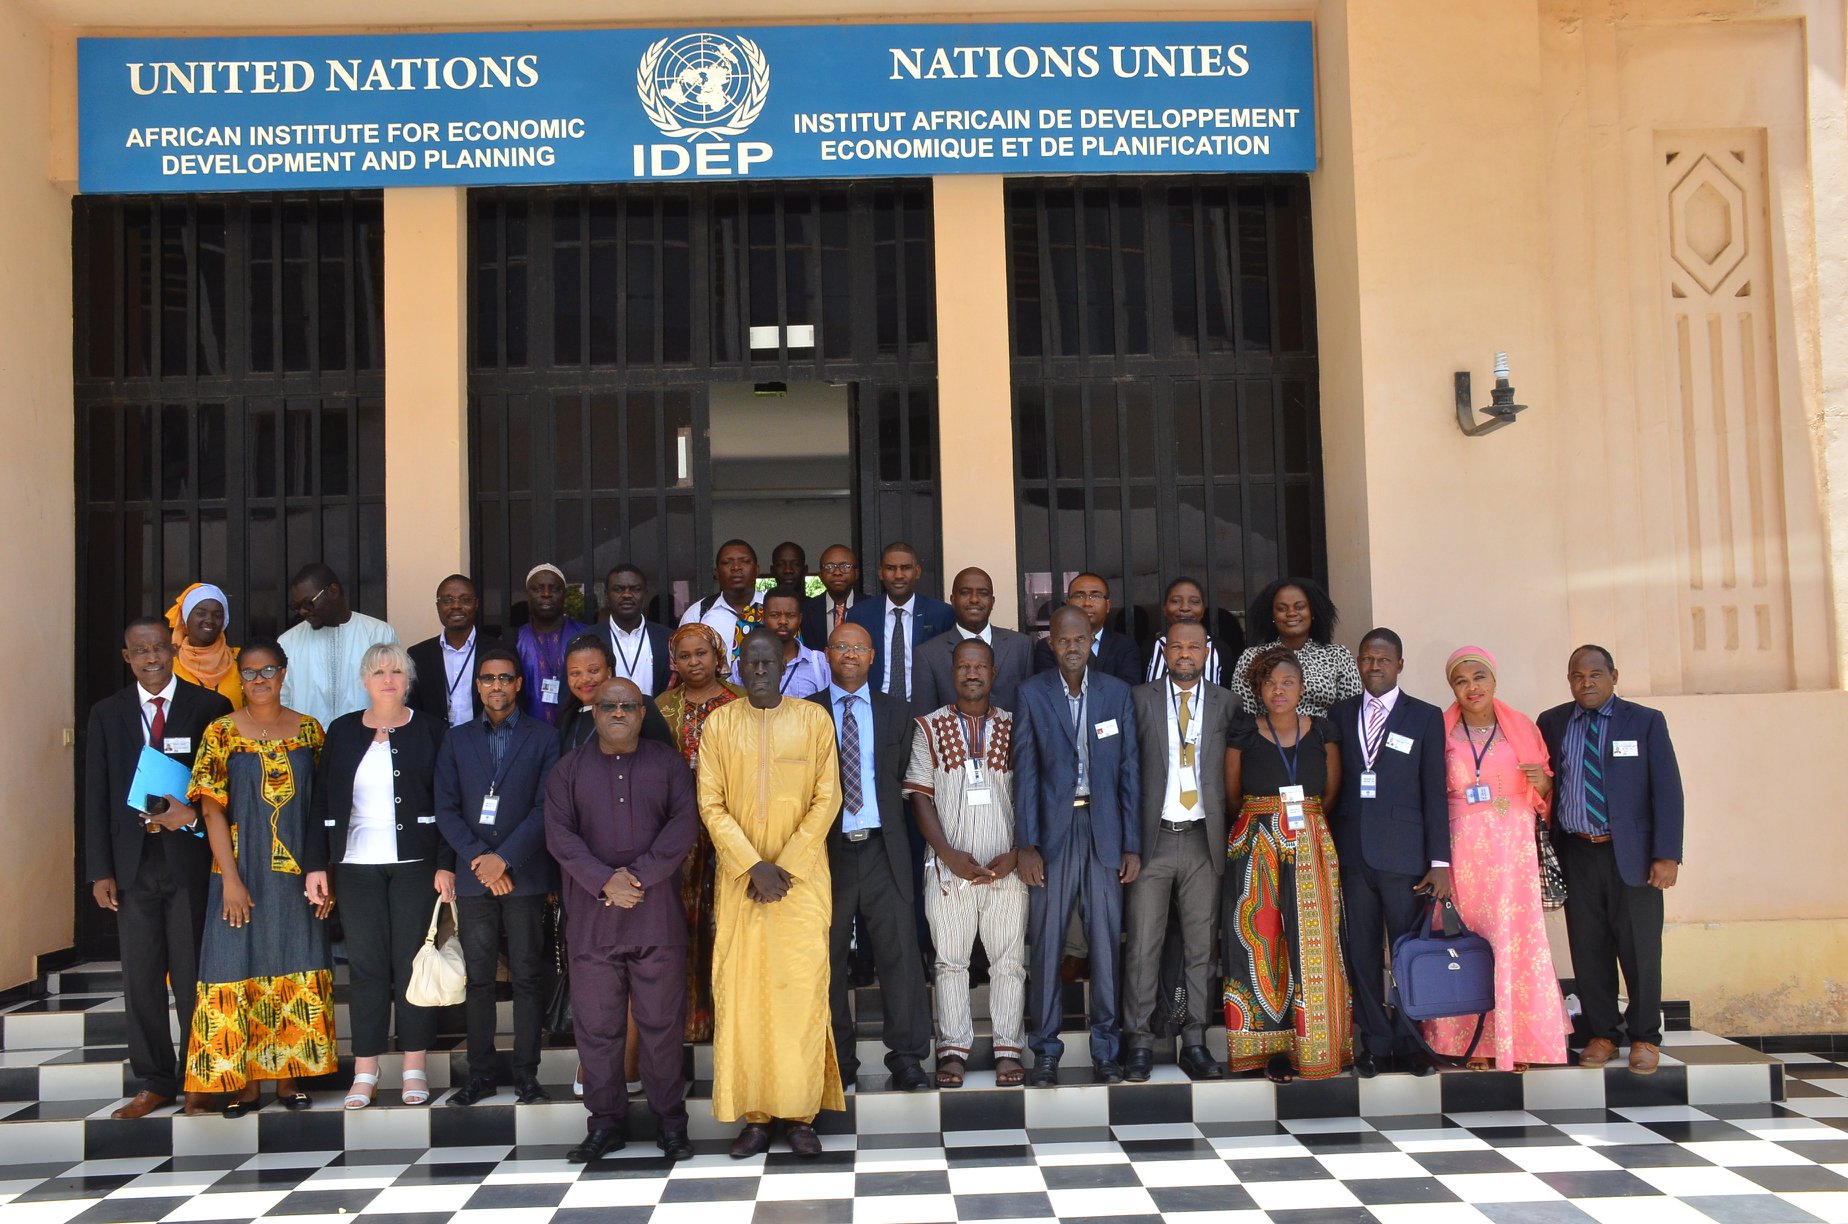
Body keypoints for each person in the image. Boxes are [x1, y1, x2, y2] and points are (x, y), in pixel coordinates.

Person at [695, 631, 845, 1158]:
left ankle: (800, 1114)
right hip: (741, 885)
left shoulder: (813, 719)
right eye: (750, 662)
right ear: (737, 666)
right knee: (744, 995)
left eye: (768, 661)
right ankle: (756, 1117)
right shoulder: (720, 724)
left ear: (783, 664)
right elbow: (710, 804)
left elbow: (829, 798)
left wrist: (783, 866)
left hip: (800, 885)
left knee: (799, 994)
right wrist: (753, 866)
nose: (759, 670)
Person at [176, 639, 336, 1116]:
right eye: (249, 672)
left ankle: (290, 1079)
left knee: (295, 956)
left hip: (297, 875)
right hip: (239, 871)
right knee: (234, 963)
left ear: (284, 674)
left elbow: (322, 809)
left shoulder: (310, 730)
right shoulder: (221, 732)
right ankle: (243, 1082)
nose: (260, 679)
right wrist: (229, 879)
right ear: (239, 679)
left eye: (269, 670)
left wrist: (323, 871)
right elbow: (210, 809)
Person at [545, 678, 699, 1163]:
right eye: (608, 706)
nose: (618, 713)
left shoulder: (669, 765)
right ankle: (605, 1124)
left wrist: (637, 877)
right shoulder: (567, 771)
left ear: (641, 713)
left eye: (628, 706)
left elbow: (684, 825)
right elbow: (559, 837)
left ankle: (670, 1124)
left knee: (660, 1025)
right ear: (593, 713)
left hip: (658, 923)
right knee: (597, 1029)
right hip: (593, 925)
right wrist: (603, 880)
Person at [84, 617, 233, 1119]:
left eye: (159, 649)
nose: (151, 659)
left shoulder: (209, 707)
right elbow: (97, 795)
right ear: (127, 657)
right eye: (140, 651)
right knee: (142, 978)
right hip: (131, 867)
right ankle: (153, 1081)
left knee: (194, 973)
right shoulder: (106, 714)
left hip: (190, 860)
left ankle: (200, 1078)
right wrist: (99, 870)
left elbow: (223, 792)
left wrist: (192, 821)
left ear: (174, 651)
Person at [315, 642, 451, 1109]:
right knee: (368, 968)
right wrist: (319, 864)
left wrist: (445, 863)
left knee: (411, 964)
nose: (387, 679)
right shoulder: (341, 731)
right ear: (364, 680)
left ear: (408, 679)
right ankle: (366, 1069)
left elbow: (450, 802)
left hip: (416, 866)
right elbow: (321, 803)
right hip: (355, 866)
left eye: (396, 670)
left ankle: (415, 1066)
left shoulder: (432, 730)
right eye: (378, 671)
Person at [1538, 645, 1684, 1076]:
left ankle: (1644, 1036)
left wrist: (1667, 855)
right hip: (1577, 852)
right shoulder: (1554, 722)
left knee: (1640, 948)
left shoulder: (1644, 722)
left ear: (1614, 676)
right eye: (1577, 676)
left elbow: (1668, 791)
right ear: (1569, 680)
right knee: (1588, 946)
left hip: (1633, 855)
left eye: (1595, 674)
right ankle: (1602, 1032)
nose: (1587, 683)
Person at [1014, 605, 1140, 1086]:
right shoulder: (1031, 694)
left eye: (1080, 639)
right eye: (1062, 639)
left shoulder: (1116, 693)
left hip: (1104, 834)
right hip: (1052, 836)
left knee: (1106, 946)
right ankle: (1045, 1051)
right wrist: (1027, 844)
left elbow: (1129, 772)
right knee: (1046, 944)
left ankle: (1106, 1050)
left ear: (1092, 641)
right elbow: (1025, 774)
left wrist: (1130, 843)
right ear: (1051, 643)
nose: (1071, 646)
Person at [1426, 646, 1569, 1071]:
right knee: (1465, 940)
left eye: (1479, 677)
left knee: (1513, 941)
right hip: (1461, 850)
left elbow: (1545, 795)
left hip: (1513, 852)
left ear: (1494, 679)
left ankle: (1518, 1042)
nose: (1472, 688)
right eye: (1461, 681)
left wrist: (1544, 782)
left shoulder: (1522, 728)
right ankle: (1471, 1043)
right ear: (1452, 687)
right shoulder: (1440, 732)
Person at [435, 647, 563, 1106]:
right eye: (487, 678)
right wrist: (481, 861)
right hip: (474, 879)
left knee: (528, 975)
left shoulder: (544, 738)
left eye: (505, 678)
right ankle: (481, 1075)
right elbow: (445, 810)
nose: (496, 686)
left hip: (525, 875)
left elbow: (546, 808)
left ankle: (528, 1074)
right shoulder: (456, 739)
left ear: (519, 684)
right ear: (477, 684)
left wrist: (503, 860)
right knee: (479, 979)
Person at [809, 623, 932, 1092]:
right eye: (841, 646)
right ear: (827, 654)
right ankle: (837, 1062)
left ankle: (907, 1059)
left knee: (900, 954)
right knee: (828, 959)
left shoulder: (897, 712)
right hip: (828, 853)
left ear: (873, 655)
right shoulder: (807, 712)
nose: (850, 655)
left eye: (859, 648)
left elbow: (908, 781)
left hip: (884, 847)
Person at [904, 638, 1029, 1088]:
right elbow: (920, 798)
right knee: (950, 963)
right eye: (964, 666)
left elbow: (1030, 794)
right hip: (948, 870)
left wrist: (1016, 852)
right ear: (952, 672)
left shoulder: (1017, 726)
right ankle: (953, 1050)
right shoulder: (928, 727)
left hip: (1006, 868)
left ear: (993, 674)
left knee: (1009, 962)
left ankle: (1007, 1049)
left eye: (980, 666)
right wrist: (949, 855)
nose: (972, 673)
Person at [1222, 646, 1350, 1083]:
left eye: (1288, 683)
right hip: (1255, 844)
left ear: (1302, 688)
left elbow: (1331, 791)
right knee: (1260, 943)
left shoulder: (1323, 731)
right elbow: (1231, 792)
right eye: (1271, 683)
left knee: (1313, 943)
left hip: (1311, 841)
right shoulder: (1243, 731)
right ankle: (1266, 1051)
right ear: (1259, 688)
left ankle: (1315, 1045)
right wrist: (1268, 821)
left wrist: (1301, 823)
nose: (1279, 691)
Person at [1328, 628, 1449, 1077]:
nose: (1374, 666)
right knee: (1360, 953)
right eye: (1367, 658)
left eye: (1383, 659)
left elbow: (1434, 791)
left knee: (1407, 952)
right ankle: (1375, 1043)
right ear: (1358, 664)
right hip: (1353, 856)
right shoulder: (1339, 715)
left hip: (1406, 859)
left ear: (1400, 664)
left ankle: (1412, 1042)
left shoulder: (1424, 716)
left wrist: (1440, 862)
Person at [1123, 622, 1234, 1082]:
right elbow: (1127, 774)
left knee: (1201, 948)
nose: (1185, 653)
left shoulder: (1227, 703)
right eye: (1177, 646)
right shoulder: (1140, 698)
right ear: (1164, 651)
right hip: (1153, 841)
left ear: (1207, 651)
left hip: (1203, 839)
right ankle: (1141, 1041)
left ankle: (1194, 1040)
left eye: (1194, 646)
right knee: (1143, 946)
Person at [654, 623, 746, 1042]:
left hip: (732, 829)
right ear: (675, 661)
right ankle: (691, 1021)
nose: (694, 662)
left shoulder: (740, 702)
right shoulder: (661, 707)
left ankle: (732, 1021)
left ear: (717, 654)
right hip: (678, 836)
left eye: (701, 654)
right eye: (685, 655)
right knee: (683, 924)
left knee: (727, 921)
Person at [279, 562, 398, 729]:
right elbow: (282, 702)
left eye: (308, 603)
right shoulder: (288, 642)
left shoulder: (379, 634)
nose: (303, 612)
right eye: (297, 607)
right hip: (308, 746)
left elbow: (394, 694)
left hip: (366, 742)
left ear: (333, 591)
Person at [1231, 577, 1360, 717]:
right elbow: (1244, 716)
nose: (1291, 613)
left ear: (1313, 612)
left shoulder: (1338, 656)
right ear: (1272, 615)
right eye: (1281, 608)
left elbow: (1351, 715)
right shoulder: (1252, 657)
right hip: (1267, 737)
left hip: (1325, 738)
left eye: (1299, 607)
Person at [846, 541, 955, 706]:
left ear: (917, 572)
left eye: (905, 568)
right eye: (890, 568)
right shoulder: (860, 614)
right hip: (873, 706)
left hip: (925, 708)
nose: (898, 575)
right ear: (881, 573)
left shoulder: (941, 614)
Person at [913, 566, 1034, 715]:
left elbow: (1031, 710)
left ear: (992, 601)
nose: (974, 599)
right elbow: (925, 721)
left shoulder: (1021, 646)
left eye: (983, 594)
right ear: (952, 600)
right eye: (965, 593)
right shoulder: (928, 654)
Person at [557, 633, 675, 753]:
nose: (585, 679)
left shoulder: (637, 705)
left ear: (609, 672)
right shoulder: (567, 717)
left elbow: (665, 757)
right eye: (575, 673)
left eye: (593, 670)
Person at [408, 575, 495, 727]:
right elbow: (414, 709)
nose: (456, 606)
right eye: (447, 600)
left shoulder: (498, 650)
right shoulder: (418, 655)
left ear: (476, 604)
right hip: (436, 744)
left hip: (486, 743)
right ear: (438, 606)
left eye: (465, 600)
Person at [1031, 572, 1143, 686]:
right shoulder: (1048, 647)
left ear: (1108, 605)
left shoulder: (1125, 646)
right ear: (1068, 603)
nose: (1087, 603)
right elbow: (1047, 690)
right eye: (1079, 596)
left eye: (1095, 596)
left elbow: (1126, 691)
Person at [678, 539, 764, 680]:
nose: (736, 567)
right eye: (727, 562)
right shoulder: (698, 613)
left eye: (744, 561)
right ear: (716, 573)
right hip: (714, 699)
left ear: (757, 570)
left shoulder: (774, 610)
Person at [516, 563, 587, 729]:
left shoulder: (584, 634)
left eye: (554, 589)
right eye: (537, 589)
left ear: (564, 594)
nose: (546, 594)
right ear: (528, 595)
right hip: (528, 734)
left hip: (576, 731)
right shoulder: (515, 639)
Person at [595, 564, 673, 698]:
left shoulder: (668, 638)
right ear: (607, 596)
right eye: (618, 589)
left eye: (635, 589)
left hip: (657, 718)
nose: (626, 595)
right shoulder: (588, 639)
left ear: (645, 595)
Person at [166, 582, 244, 708]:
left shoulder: (241, 659)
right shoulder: (169, 663)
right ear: (186, 617)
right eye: (201, 613)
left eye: (217, 615)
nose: (209, 620)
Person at [1143, 577, 1228, 688]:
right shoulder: (1149, 648)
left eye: (1194, 602)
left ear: (1203, 609)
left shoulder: (1221, 650)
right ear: (1164, 608)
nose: (1185, 607)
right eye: (1176, 601)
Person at [766, 586, 831, 699]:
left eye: (790, 615)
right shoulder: (746, 662)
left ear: (800, 619)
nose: (783, 621)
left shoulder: (820, 662)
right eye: (775, 615)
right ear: (763, 618)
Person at [802, 543, 864, 649]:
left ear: (856, 573)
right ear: (820, 575)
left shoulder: (871, 607)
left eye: (845, 566)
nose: (837, 572)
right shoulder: (805, 610)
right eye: (829, 567)